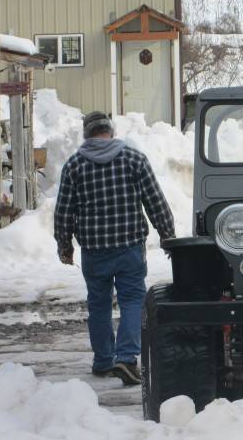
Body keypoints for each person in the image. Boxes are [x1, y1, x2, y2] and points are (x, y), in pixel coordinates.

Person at [54, 111, 175, 385]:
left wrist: (64, 245)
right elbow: (155, 202)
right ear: (111, 130)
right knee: (132, 300)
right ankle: (127, 359)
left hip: (94, 250)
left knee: (98, 304)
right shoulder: (134, 159)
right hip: (129, 246)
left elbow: (63, 211)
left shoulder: (74, 165)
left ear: (87, 133)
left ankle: (103, 361)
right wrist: (168, 236)